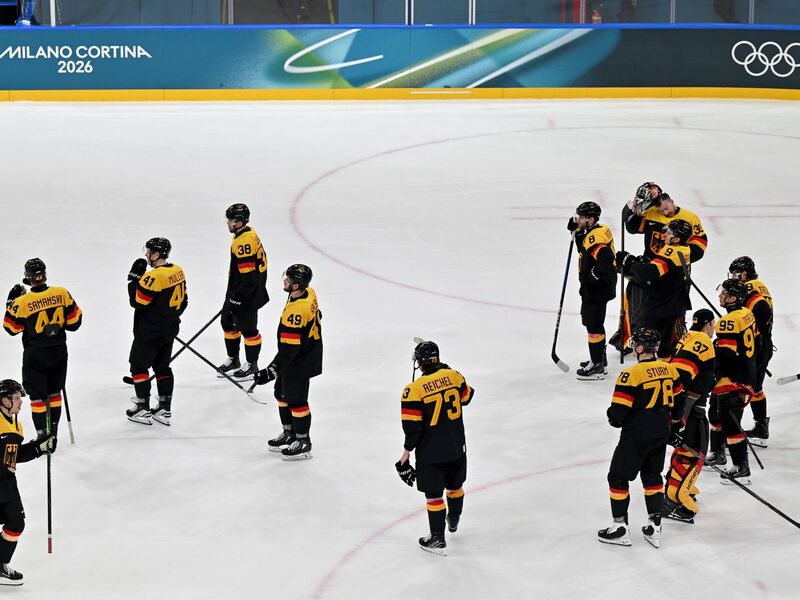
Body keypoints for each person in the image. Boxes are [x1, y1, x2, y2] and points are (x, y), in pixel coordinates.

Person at [599, 327, 684, 548]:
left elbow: (618, 413)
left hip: (636, 436)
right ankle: (655, 526)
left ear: (638, 348)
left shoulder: (631, 374)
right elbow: (679, 404)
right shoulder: (671, 370)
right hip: (661, 434)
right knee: (652, 477)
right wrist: (675, 427)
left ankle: (620, 527)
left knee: (617, 478)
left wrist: (611, 416)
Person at [395, 341, 474, 556]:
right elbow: (467, 397)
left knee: (434, 495)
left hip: (431, 453)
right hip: (457, 447)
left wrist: (405, 455)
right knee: (455, 487)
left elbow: (413, 430)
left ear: (419, 362)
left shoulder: (413, 390)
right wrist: (446, 372)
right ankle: (454, 518)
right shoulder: (454, 376)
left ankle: (438, 537)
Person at [3, 258, 82, 442]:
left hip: (35, 356)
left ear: (28, 277)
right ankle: (53, 431)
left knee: (38, 397)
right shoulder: (62, 293)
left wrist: (11, 302)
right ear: (44, 275)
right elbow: (74, 323)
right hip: (59, 353)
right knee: (55, 393)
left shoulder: (22, 302)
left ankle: (42, 436)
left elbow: (11, 328)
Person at [253, 264, 321, 460]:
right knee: (281, 393)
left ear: (297, 285)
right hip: (301, 354)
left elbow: (290, 349)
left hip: (300, 360)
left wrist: (271, 371)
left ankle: (303, 442)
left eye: (289, 280)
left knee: (297, 401)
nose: (285, 281)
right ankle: (289, 433)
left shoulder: (297, 311)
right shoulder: (308, 292)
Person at [125, 238, 188, 426]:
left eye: (150, 252)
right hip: (169, 330)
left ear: (158, 254)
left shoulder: (153, 277)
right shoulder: (177, 270)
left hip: (149, 332)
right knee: (162, 367)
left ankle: (142, 408)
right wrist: (168, 318)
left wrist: (133, 279)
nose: (147, 255)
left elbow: (137, 301)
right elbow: (184, 301)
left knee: (138, 367)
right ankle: (164, 409)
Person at [0, 379, 55, 585]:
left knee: (15, 523)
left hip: (6, 481)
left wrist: (38, 448)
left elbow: (12, 455)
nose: (21, 402)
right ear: (4, 400)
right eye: (16, 398)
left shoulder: (16, 425)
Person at [663, 309, 716, 523]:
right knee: (693, 453)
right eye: (713, 324)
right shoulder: (702, 340)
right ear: (708, 324)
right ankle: (673, 500)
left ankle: (676, 490)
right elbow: (682, 375)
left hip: (686, 407)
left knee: (686, 450)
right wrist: (679, 417)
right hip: (690, 408)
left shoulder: (687, 336)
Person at [615, 219, 692, 359]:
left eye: (669, 233)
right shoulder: (684, 248)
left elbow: (646, 273)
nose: (665, 234)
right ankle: (665, 368)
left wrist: (630, 262)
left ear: (676, 239)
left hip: (660, 307)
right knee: (664, 346)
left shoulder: (672, 251)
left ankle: (648, 369)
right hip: (673, 304)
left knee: (646, 343)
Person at [706, 279, 757, 485]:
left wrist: (711, 354)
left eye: (724, 293)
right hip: (741, 375)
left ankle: (741, 467)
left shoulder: (728, 321)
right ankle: (718, 453)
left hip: (733, 379)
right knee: (715, 414)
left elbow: (726, 354)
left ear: (733, 298)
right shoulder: (746, 313)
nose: (720, 296)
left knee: (730, 422)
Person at [217, 203, 269, 381]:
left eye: (230, 220)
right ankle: (233, 360)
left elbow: (250, 278)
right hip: (237, 289)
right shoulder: (244, 233)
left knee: (248, 329)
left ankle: (252, 365)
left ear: (239, 223)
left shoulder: (244, 242)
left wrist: (238, 298)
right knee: (227, 322)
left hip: (248, 292)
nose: (227, 223)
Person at [566, 201, 617, 380]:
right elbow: (584, 249)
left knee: (593, 325)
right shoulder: (598, 230)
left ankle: (597, 366)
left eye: (581, 218)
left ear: (591, 219)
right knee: (596, 323)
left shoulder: (595, 237)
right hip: (600, 287)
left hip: (597, 288)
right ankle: (600, 359)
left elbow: (606, 258)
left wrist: (595, 275)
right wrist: (578, 231)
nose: (578, 220)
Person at [728, 256, 773, 447]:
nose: (733, 277)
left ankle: (732, 434)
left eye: (735, 273)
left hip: (753, 345)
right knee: (756, 387)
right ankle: (761, 426)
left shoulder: (748, 288)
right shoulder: (761, 286)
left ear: (744, 274)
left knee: (741, 387)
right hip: (764, 344)